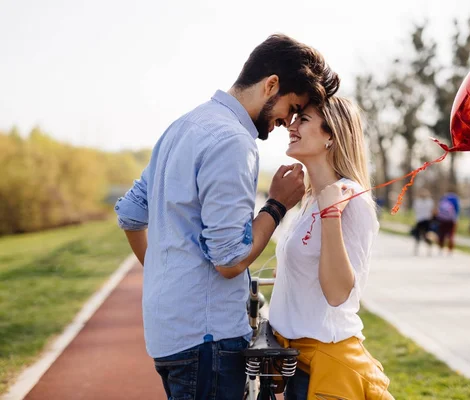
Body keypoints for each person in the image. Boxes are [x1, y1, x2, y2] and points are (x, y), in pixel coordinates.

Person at [114, 34, 339, 400]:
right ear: (271, 85)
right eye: (292, 107)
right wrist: (277, 205)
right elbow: (229, 259)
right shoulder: (232, 141)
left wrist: (164, 272)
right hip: (207, 340)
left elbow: (130, 214)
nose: (287, 122)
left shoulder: (183, 126)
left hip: (167, 332)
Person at [269, 97, 393, 399]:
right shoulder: (308, 198)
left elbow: (338, 294)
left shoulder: (353, 202)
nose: (291, 125)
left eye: (304, 120)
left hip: (327, 366)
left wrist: (332, 214)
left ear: (331, 135)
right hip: (295, 362)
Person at [436, 189, 461, 255]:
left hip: (442, 220)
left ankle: (440, 248)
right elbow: (457, 210)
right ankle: (450, 250)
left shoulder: (444, 198)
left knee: (442, 234)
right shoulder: (455, 199)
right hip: (451, 220)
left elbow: (439, 208)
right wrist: (456, 219)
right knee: (451, 235)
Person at [412, 188, 435, 255]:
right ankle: (417, 248)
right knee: (418, 235)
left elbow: (431, 211)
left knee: (427, 236)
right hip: (420, 220)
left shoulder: (429, 202)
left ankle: (429, 248)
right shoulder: (417, 201)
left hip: (426, 220)